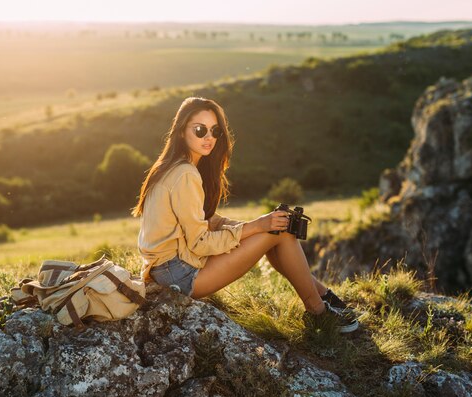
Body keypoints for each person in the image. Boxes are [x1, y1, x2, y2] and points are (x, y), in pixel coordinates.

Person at [131, 97, 357, 333]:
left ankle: (324, 298)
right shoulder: (185, 174)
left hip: (167, 270)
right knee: (279, 234)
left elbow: (207, 220)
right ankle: (318, 311)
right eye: (200, 130)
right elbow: (199, 243)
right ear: (180, 131)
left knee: (275, 229)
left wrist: (254, 226)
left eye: (215, 130)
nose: (209, 137)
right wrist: (257, 227)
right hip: (178, 275)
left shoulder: (174, 165)